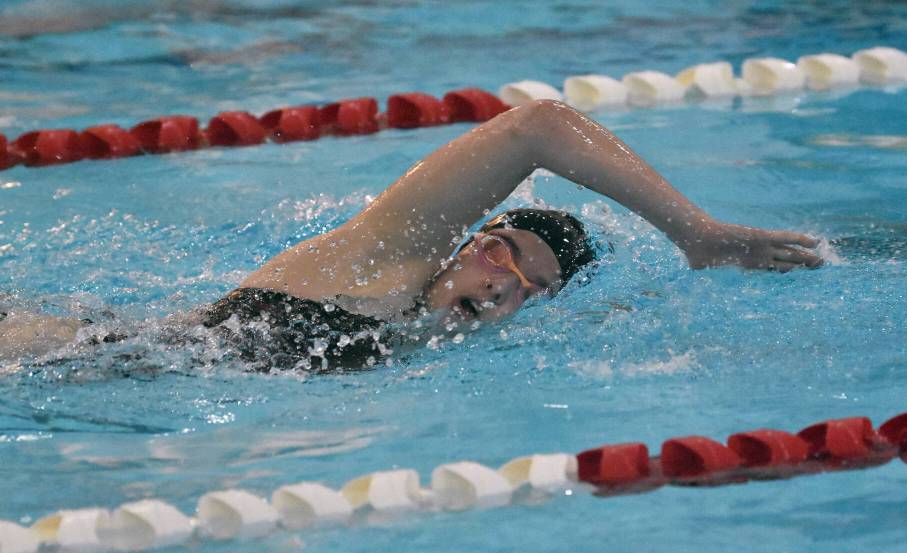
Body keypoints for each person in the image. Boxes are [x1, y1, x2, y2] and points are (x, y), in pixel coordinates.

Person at [0, 100, 822, 370]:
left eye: (528, 287)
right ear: (472, 239)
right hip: (58, 352)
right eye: (503, 253)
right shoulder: (388, 255)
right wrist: (697, 233)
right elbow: (540, 124)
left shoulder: (433, 342)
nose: (504, 283)